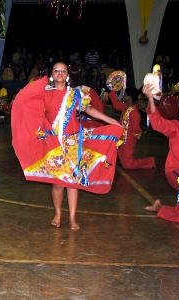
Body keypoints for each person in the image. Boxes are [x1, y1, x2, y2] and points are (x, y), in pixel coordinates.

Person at [11, 62, 123, 230]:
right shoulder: (45, 94)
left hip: (73, 143)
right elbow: (30, 108)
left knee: (72, 182)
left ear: (68, 75)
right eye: (56, 71)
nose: (60, 73)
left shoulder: (76, 94)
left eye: (63, 71)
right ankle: (58, 213)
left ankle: (72, 217)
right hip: (53, 143)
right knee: (57, 183)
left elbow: (89, 110)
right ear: (52, 74)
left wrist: (110, 120)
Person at [142, 84, 179, 223]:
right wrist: (151, 99)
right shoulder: (176, 127)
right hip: (175, 171)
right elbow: (157, 123)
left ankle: (160, 207)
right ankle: (164, 210)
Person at [108, 87, 155, 169]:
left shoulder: (134, 113)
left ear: (129, 97)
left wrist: (136, 134)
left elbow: (136, 129)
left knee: (128, 165)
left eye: (125, 94)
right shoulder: (125, 107)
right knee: (117, 155)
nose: (123, 96)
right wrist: (112, 92)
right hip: (121, 138)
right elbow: (116, 105)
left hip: (128, 140)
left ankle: (150, 162)